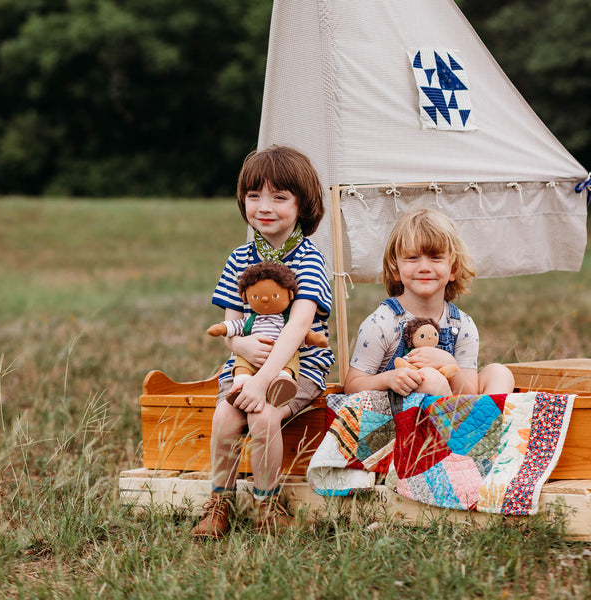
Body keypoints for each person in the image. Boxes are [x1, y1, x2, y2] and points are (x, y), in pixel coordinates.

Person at [192, 146, 334, 538]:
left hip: (298, 365)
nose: (264, 206)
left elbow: (298, 325)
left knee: (265, 416)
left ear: (302, 204)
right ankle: (219, 501)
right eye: (254, 196)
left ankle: (265, 505)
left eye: (279, 197)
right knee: (224, 418)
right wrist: (239, 349)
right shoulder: (240, 257)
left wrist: (262, 380)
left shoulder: (309, 258)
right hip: (246, 363)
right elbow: (231, 324)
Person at [344, 208, 515, 398]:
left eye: (435, 257)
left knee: (499, 372)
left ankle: (485, 426)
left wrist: (449, 363)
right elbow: (351, 386)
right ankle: (466, 427)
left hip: (458, 412)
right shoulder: (382, 322)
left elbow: (469, 394)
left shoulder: (462, 325)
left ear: (453, 269)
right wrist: (387, 379)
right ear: (395, 269)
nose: (424, 267)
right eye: (412, 258)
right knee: (430, 378)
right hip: (400, 417)